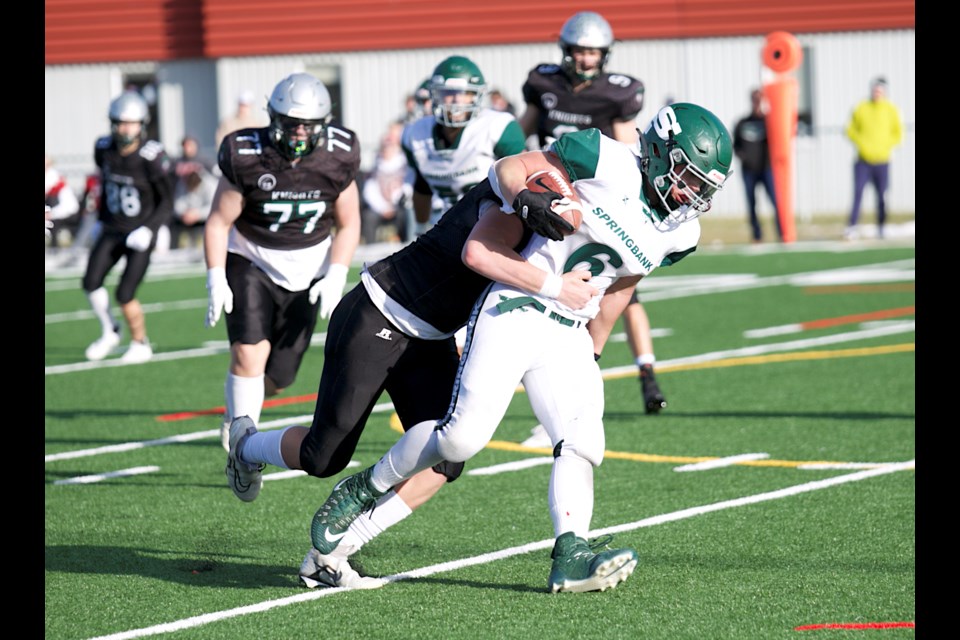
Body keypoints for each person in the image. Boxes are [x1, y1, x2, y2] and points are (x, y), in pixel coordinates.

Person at [308, 103, 734, 593]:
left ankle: (571, 551)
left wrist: (592, 353)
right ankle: (365, 486)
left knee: (583, 438)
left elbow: (619, 287)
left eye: (702, 187)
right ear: (659, 153)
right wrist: (531, 203)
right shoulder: (603, 158)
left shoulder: (682, 233)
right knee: (459, 440)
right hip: (518, 302)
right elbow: (510, 171)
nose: (691, 195)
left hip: (568, 327)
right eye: (686, 177)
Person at [222, 140, 598, 590]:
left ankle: (336, 551)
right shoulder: (511, 197)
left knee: (445, 455)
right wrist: (556, 285)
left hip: (431, 336)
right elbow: (500, 196)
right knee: (323, 457)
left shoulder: (554, 211)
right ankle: (245, 444)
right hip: (379, 314)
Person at [518, 10, 667, 414]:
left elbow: (628, 154)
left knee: (625, 291)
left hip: (594, 201)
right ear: (568, 51)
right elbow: (521, 132)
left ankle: (647, 374)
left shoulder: (615, 94)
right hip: (549, 193)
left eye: (593, 52)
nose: (586, 59)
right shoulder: (543, 83)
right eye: (581, 51)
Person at [204, 72, 362, 452]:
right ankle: (243, 443)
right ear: (273, 118)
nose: (299, 133)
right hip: (252, 257)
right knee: (249, 353)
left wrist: (337, 272)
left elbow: (349, 221)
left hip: (308, 267)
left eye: (308, 125)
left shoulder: (338, 155)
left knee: (279, 376)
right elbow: (218, 221)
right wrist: (215, 277)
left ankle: (239, 406)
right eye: (291, 124)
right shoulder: (246, 154)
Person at [81, 91, 174, 363]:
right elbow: (104, 183)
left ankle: (140, 342)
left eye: (131, 123)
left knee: (125, 293)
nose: (125, 128)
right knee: (90, 282)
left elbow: (167, 201)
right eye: (120, 122)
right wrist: (100, 220)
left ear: (142, 124)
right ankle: (110, 330)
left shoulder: (151, 155)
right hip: (111, 228)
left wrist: (150, 230)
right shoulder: (103, 147)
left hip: (140, 232)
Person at [845, 77, 904, 239]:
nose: (877, 93)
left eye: (880, 90)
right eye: (875, 90)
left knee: (882, 196)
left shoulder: (891, 109)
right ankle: (852, 226)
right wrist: (862, 143)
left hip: (882, 160)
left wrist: (885, 146)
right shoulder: (861, 107)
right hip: (863, 161)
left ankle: (881, 226)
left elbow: (898, 133)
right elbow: (850, 130)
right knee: (858, 193)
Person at [733, 88, 782, 243]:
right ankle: (757, 235)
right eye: (754, 99)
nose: (756, 102)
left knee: (776, 201)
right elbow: (736, 145)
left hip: (766, 169)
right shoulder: (742, 123)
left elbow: (779, 139)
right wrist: (744, 158)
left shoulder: (768, 122)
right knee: (752, 203)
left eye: (759, 99)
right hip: (749, 170)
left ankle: (782, 233)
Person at [361, 121, 413, 243]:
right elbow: (370, 188)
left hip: (399, 206)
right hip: (381, 208)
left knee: (404, 215)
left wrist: (395, 202)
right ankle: (370, 250)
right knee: (369, 217)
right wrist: (383, 207)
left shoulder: (405, 162)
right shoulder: (376, 163)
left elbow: (407, 186)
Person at [169, 135, 218, 249]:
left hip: (202, 216)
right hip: (186, 217)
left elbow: (213, 205)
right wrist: (184, 213)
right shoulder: (180, 176)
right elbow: (177, 202)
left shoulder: (209, 182)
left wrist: (197, 214)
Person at [45, 153, 81, 249]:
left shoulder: (56, 181)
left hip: (65, 214)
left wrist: (50, 214)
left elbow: (69, 206)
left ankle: (55, 249)